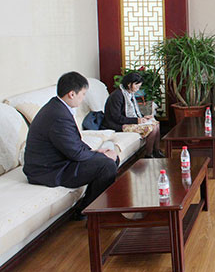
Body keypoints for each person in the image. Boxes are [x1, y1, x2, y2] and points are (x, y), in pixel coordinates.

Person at [23, 72, 119, 220]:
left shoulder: (57, 107)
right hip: (49, 170)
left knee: (111, 158)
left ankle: (98, 207)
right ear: (72, 94)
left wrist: (96, 151)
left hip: (58, 161)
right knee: (107, 165)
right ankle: (87, 211)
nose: (83, 98)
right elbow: (75, 153)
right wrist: (100, 155)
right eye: (83, 94)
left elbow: (74, 142)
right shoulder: (58, 116)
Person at [102, 71, 165, 158]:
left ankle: (156, 151)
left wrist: (143, 117)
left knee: (156, 124)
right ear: (129, 84)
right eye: (136, 86)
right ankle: (148, 154)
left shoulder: (129, 94)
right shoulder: (117, 96)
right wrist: (136, 120)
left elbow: (134, 112)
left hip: (126, 121)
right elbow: (116, 117)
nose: (138, 89)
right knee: (152, 128)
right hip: (117, 125)